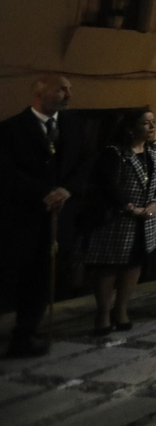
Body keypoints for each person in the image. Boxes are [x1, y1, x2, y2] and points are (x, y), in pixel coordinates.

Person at [1, 75, 85, 357]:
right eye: (61, 90)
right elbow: (7, 171)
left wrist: (67, 190)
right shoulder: (11, 129)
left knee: (43, 277)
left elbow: (84, 162)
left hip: (59, 218)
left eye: (70, 89)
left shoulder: (73, 126)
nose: (68, 95)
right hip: (23, 219)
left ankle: (26, 332)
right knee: (17, 276)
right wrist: (44, 192)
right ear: (39, 93)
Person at [81, 107, 156, 335]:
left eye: (153, 122)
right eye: (146, 123)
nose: (151, 126)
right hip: (118, 219)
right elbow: (108, 184)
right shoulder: (115, 152)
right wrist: (130, 207)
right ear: (131, 128)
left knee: (134, 264)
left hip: (146, 218)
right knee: (109, 266)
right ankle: (103, 313)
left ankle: (121, 309)